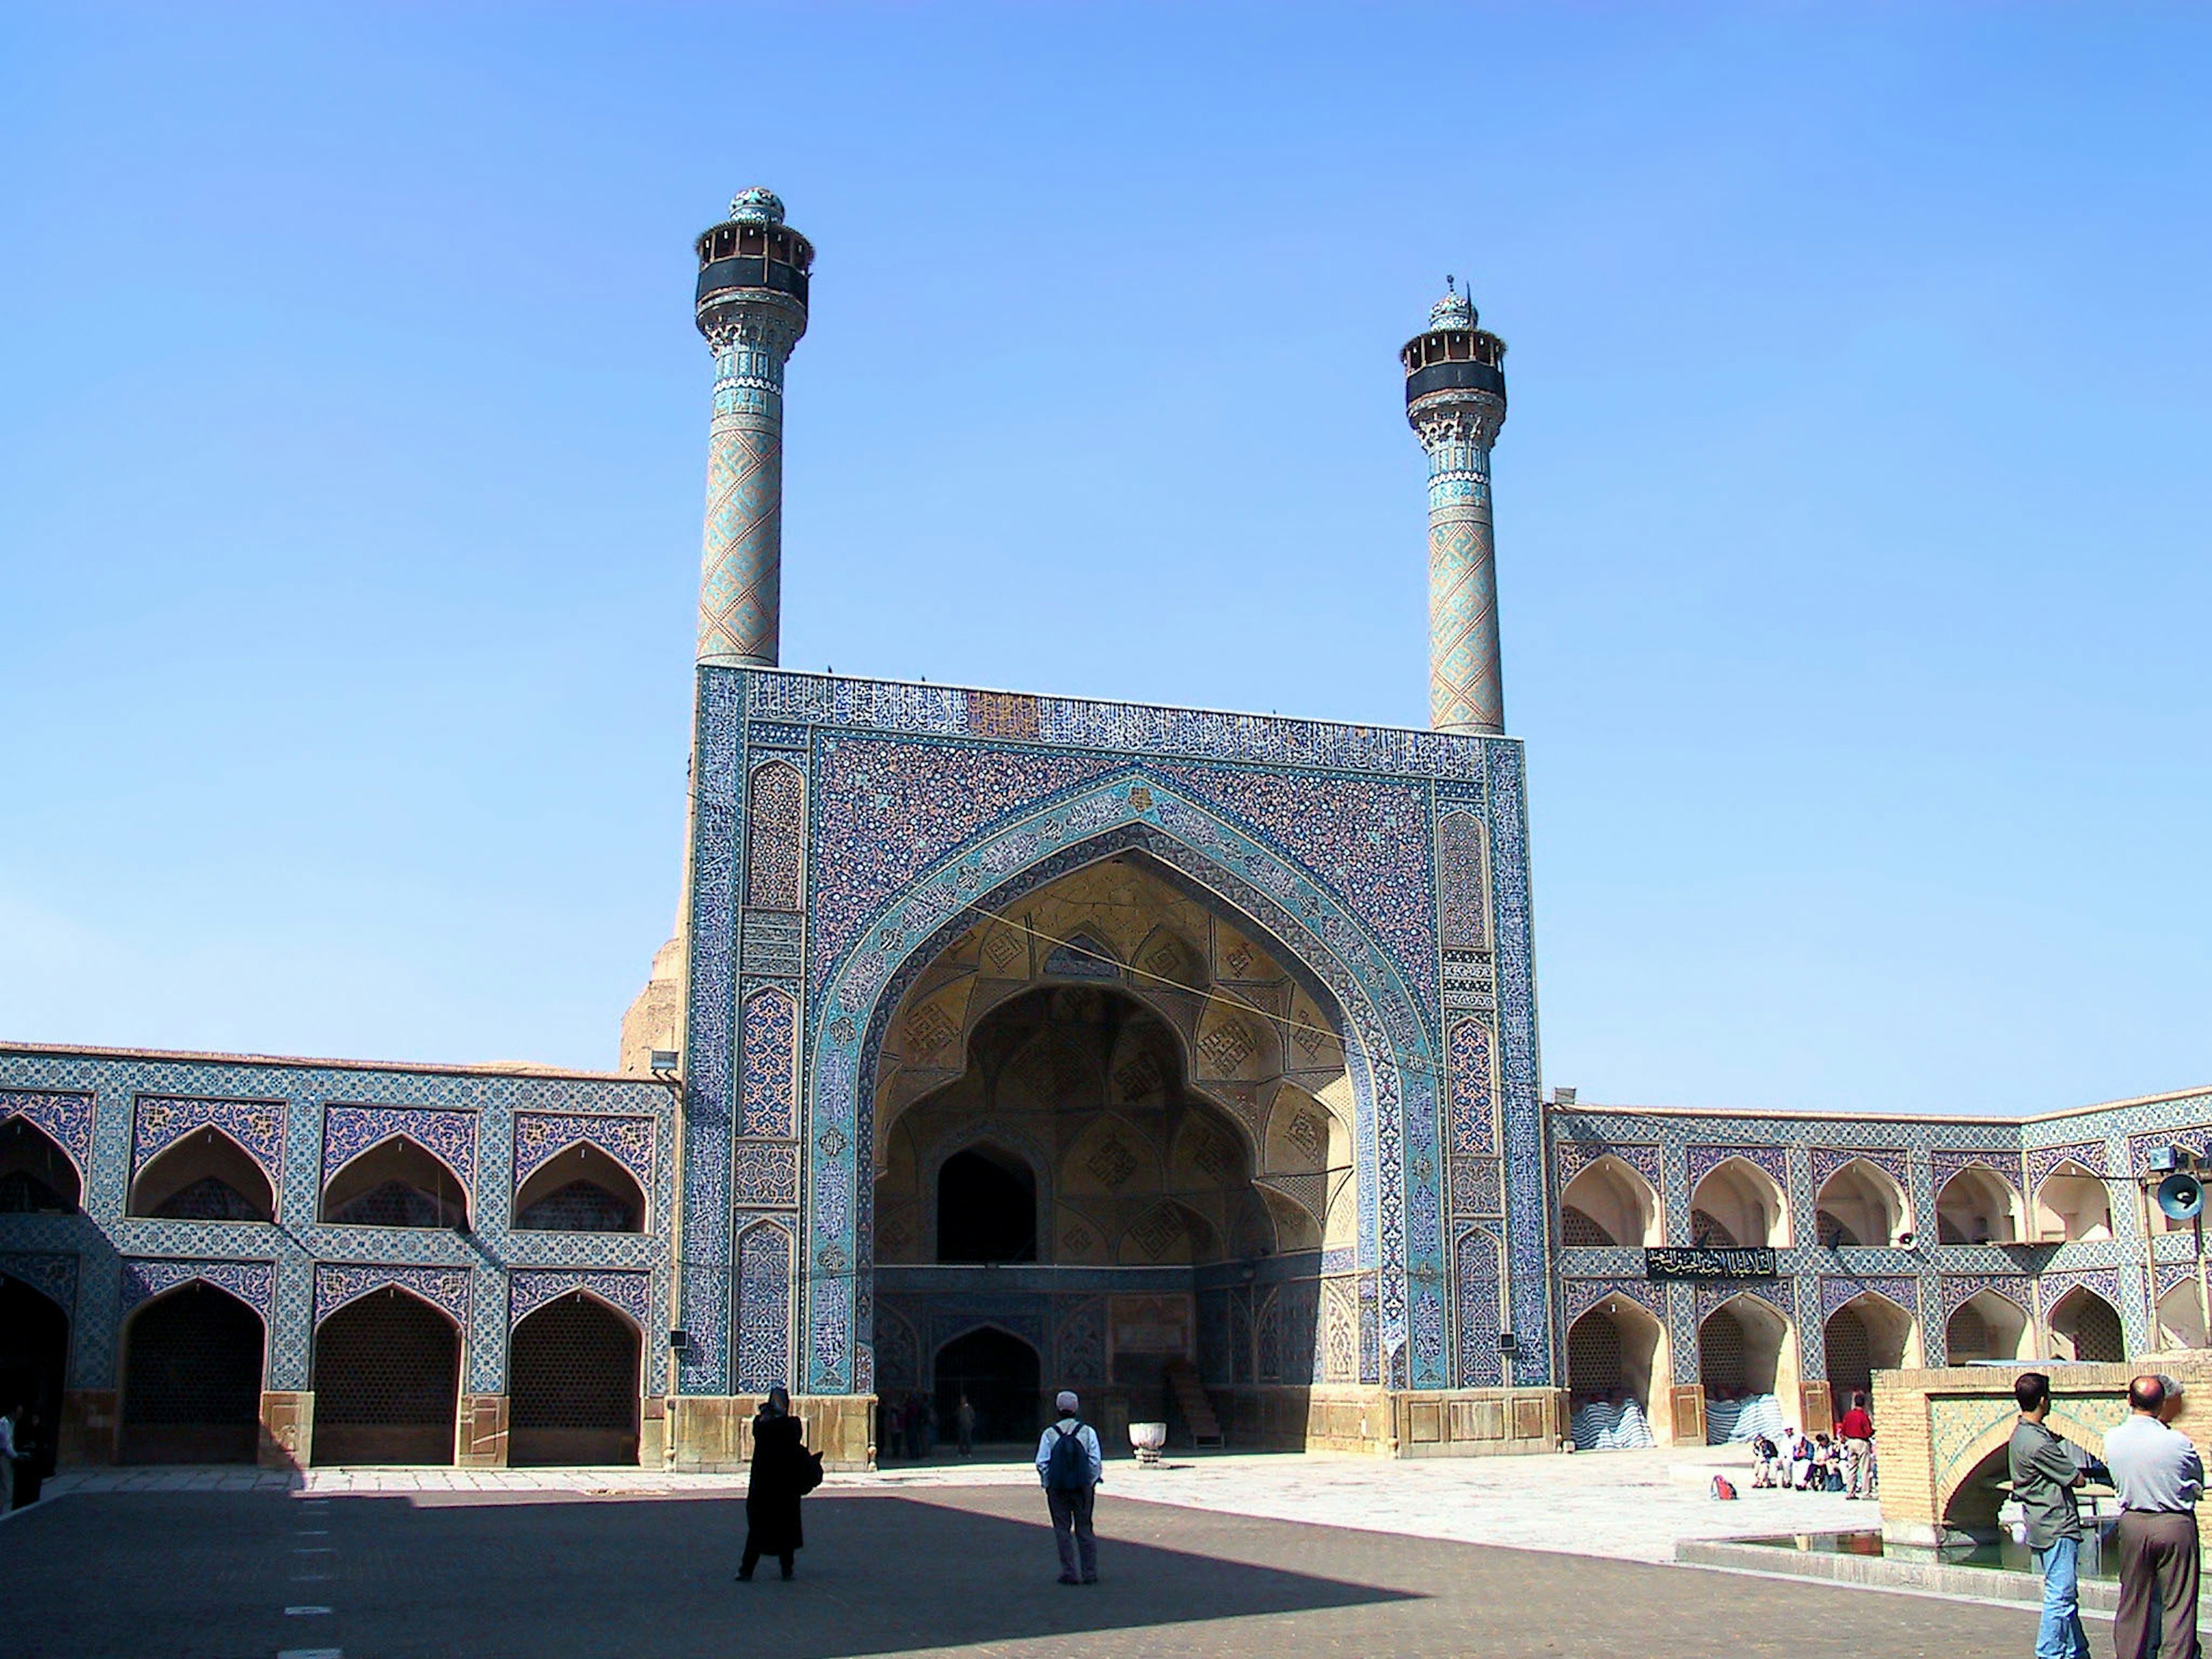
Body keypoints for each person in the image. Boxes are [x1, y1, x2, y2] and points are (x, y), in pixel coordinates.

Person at [2103, 1373, 2204, 1659]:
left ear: (2128, 1401)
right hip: (2174, 1523)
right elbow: (2195, 1480)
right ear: (2161, 1405)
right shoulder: (2177, 1443)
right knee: (2178, 1604)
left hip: (2133, 1522)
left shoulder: (2112, 1439)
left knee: (2133, 1601)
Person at [2010, 1370, 2093, 1659]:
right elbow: (2074, 1478)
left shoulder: (2020, 1435)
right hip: (2056, 1523)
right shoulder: (2038, 1443)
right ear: (2044, 1400)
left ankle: (2076, 1651)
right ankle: (2049, 1653)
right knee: (2060, 1596)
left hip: (2040, 1522)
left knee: (2064, 1592)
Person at [738, 1388, 822, 1582]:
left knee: (759, 1530)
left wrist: (766, 1414)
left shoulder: (763, 1426)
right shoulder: (791, 1426)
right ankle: (787, 1569)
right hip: (785, 1487)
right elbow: (791, 1433)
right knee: (786, 1530)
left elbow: (763, 1429)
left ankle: (747, 1570)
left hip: (765, 1487)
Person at [1036, 1388, 1103, 1586]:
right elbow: (1095, 1461)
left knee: (1062, 1530)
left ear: (1057, 1408)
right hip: (1082, 1489)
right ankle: (1089, 1572)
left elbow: (1042, 1463)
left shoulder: (1049, 1434)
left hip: (1058, 1489)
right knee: (1085, 1528)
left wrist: (1048, 1483)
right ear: (1077, 1408)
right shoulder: (1087, 1432)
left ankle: (1069, 1572)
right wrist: (1089, 1482)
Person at [1838, 1391, 1876, 1501]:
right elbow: (1868, 1431)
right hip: (1861, 1442)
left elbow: (1843, 1430)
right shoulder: (1863, 1416)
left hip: (1850, 1442)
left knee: (1852, 1468)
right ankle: (1866, 1492)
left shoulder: (1848, 1415)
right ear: (1864, 1404)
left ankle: (1850, 1492)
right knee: (1865, 1469)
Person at [956, 1393, 976, 1457]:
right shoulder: (960, 1408)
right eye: (961, 1399)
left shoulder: (969, 1407)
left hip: (968, 1426)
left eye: (963, 1399)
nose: (962, 1401)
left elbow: (973, 1416)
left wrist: (970, 1423)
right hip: (961, 1426)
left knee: (968, 1440)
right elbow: (958, 1415)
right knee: (961, 1440)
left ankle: (969, 1453)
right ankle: (961, 1453)